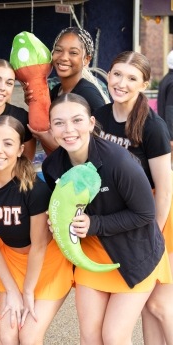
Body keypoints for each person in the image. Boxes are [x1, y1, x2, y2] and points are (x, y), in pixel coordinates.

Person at [43, 93, 172, 345]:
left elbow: (145, 214)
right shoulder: (52, 167)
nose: (68, 130)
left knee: (114, 337)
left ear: (91, 123)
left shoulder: (119, 162)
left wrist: (95, 224)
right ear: (50, 128)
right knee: (90, 337)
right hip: (91, 255)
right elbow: (65, 207)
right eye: (59, 123)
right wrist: (58, 219)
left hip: (134, 254)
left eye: (77, 120)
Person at [0, 115, 73, 344]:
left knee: (29, 335)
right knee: (7, 336)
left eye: (7, 143)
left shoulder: (35, 189)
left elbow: (40, 245)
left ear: (20, 149)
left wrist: (26, 293)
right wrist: (12, 290)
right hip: (12, 264)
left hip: (47, 264)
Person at [93, 51, 173, 345]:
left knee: (160, 306)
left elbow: (164, 189)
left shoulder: (153, 127)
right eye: (116, 74)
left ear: (144, 84)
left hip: (156, 218)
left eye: (131, 78)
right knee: (148, 308)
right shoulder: (98, 117)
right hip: (125, 217)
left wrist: (154, 235)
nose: (121, 83)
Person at [23, 27, 109, 154]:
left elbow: (102, 147)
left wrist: (52, 143)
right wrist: (34, 103)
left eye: (73, 53)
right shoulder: (56, 91)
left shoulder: (88, 94)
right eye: (58, 50)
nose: (63, 57)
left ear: (86, 60)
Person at [158, 50, 173, 153]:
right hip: (170, 133)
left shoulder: (165, 79)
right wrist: (171, 137)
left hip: (164, 129)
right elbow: (170, 109)